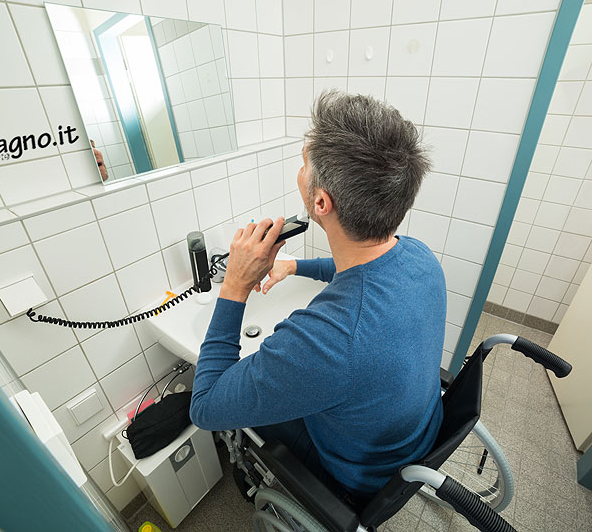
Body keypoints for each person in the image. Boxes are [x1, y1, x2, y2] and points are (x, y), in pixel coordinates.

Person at [190, 90, 446, 508]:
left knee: (247, 417)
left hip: (358, 476)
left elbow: (204, 406)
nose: (300, 170)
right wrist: (295, 267)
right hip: (415, 433)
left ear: (321, 202)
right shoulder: (417, 254)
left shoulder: (327, 341)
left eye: (304, 163)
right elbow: (357, 272)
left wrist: (234, 285)